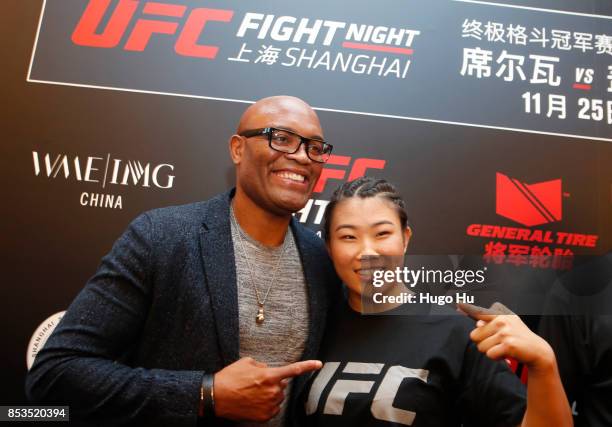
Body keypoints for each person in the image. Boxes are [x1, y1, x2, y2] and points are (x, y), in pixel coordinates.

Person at [25, 96, 340, 426]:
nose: (302, 156)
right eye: (281, 138)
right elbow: (56, 372)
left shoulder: (320, 259)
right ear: (237, 149)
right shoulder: (161, 236)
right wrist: (205, 393)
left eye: (315, 147)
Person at [300, 177, 573, 427]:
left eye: (382, 233)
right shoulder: (313, 328)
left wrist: (544, 364)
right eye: (348, 237)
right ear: (329, 247)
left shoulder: (457, 333)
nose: (367, 252)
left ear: (405, 239)